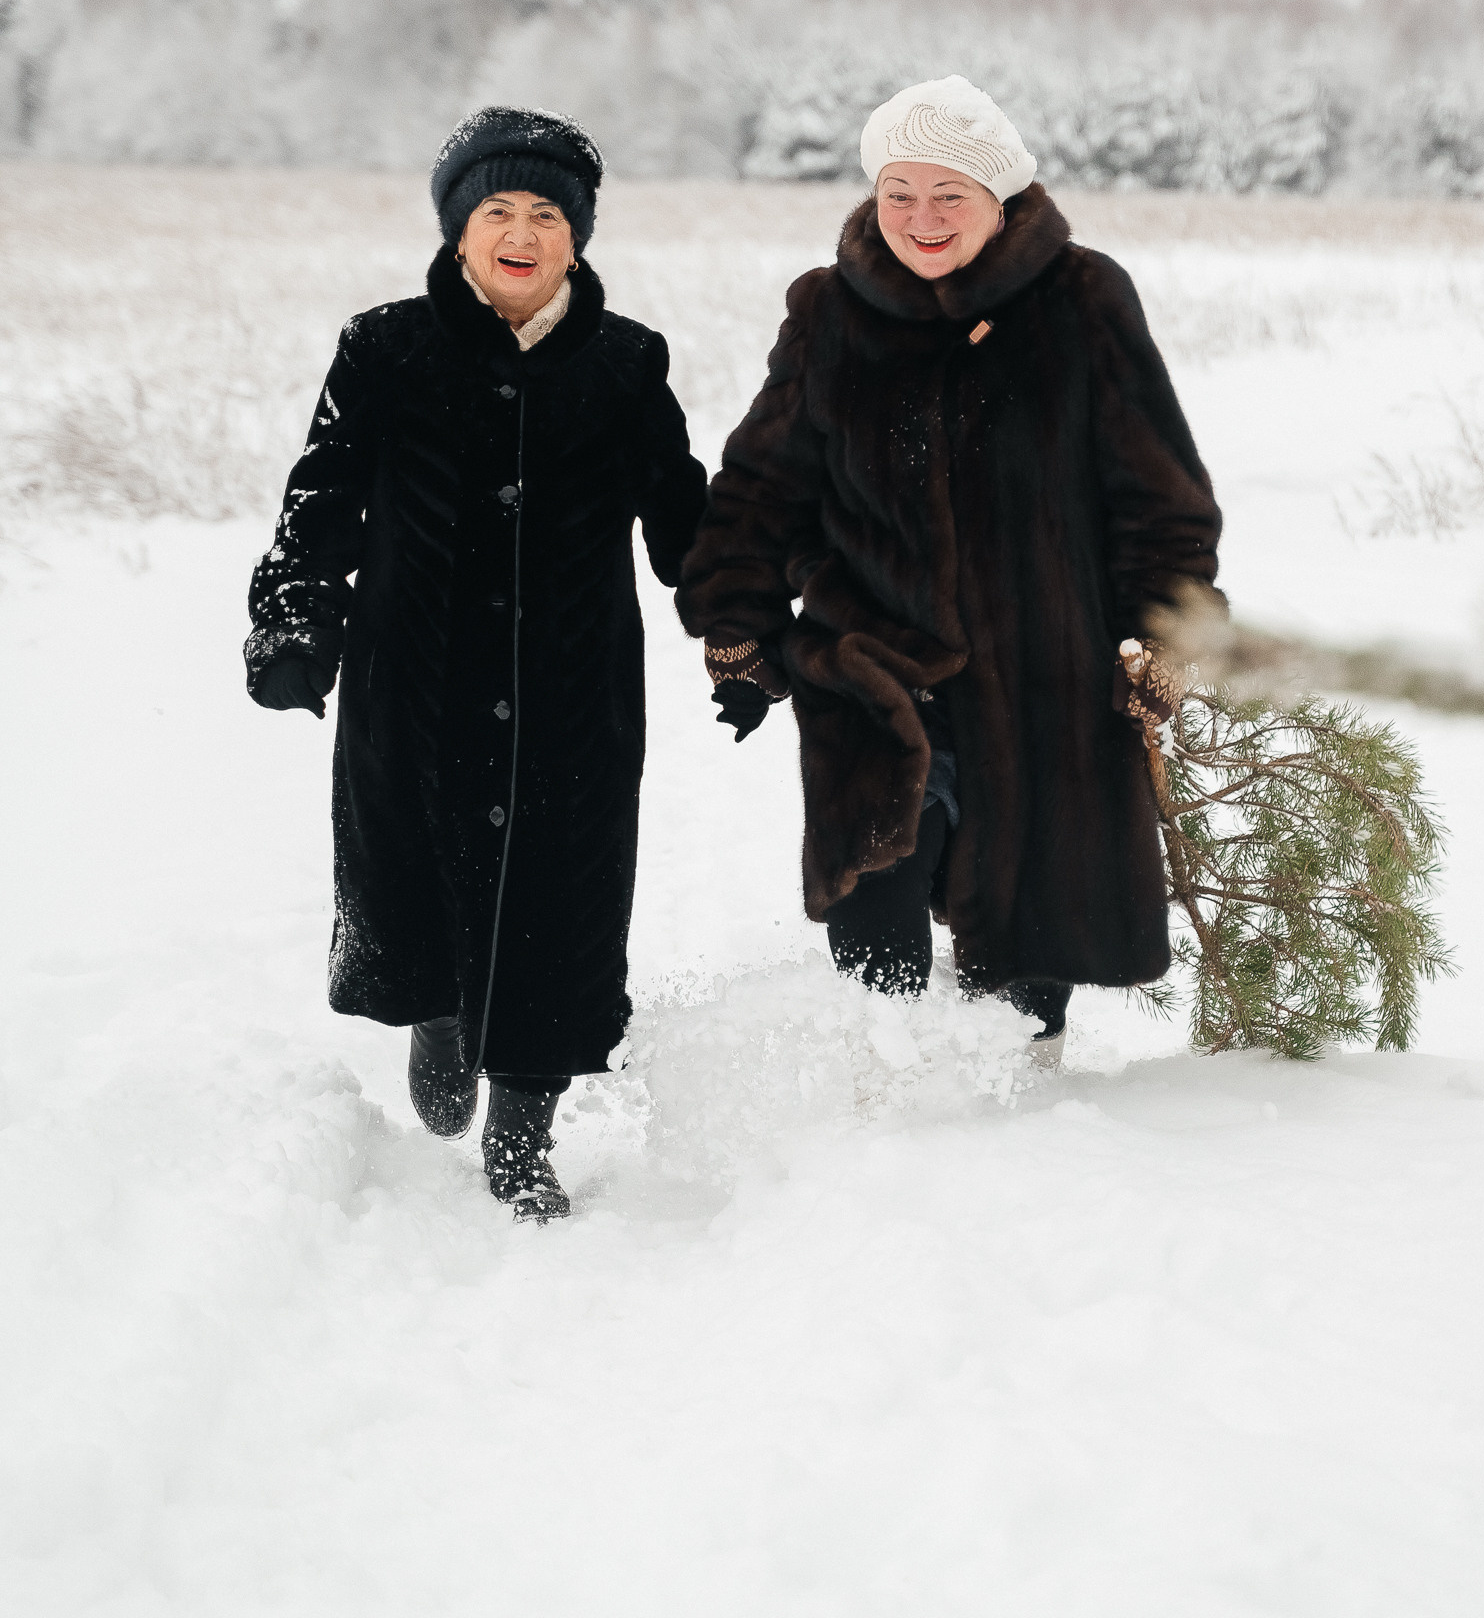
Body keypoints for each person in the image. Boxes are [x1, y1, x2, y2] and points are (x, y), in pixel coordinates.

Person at [677, 75, 1223, 1054]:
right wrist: (736, 626)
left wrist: (1161, 630)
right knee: (874, 923)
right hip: (876, 660)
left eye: (949, 195)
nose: (920, 218)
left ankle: (1021, 1109)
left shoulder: (1084, 301)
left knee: (1027, 950)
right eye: (899, 193)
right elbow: (760, 483)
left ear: (1000, 198)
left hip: (1045, 671)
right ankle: (883, 1105)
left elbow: (1158, 490)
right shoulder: (830, 311)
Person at [245, 106, 706, 1221]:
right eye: (496, 209)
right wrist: (296, 622)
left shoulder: (626, 361)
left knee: (565, 898)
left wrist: (745, 634)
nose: (520, 230)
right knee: (414, 869)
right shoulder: (385, 347)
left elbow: (686, 520)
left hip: (575, 690)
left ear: (577, 238)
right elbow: (323, 503)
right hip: (416, 682)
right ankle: (438, 1012)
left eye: (547, 213)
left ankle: (523, 1133)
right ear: (459, 229)